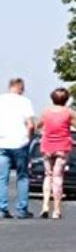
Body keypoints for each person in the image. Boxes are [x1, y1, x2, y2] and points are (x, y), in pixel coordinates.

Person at [0, 77, 35, 218]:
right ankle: (22, 209)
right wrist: (29, 137)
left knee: (2, 177)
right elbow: (30, 124)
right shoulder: (25, 102)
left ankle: (2, 208)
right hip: (20, 142)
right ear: (20, 87)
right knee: (22, 176)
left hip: (2, 142)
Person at [38, 88, 73, 219]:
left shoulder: (46, 112)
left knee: (48, 176)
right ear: (67, 99)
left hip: (47, 146)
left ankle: (45, 205)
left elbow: (38, 125)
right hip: (62, 147)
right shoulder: (69, 112)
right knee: (58, 177)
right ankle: (56, 210)